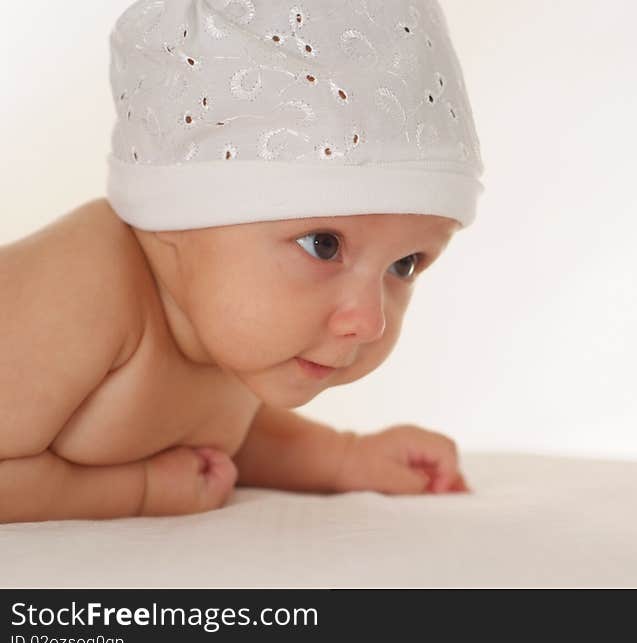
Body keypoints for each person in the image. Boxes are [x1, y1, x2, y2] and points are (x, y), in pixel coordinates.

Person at [0, 0, 484, 522]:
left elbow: (217, 431)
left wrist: (344, 458)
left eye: (405, 264)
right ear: (179, 213)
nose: (369, 322)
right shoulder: (82, 284)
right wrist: (138, 491)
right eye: (323, 244)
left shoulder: (229, 329)